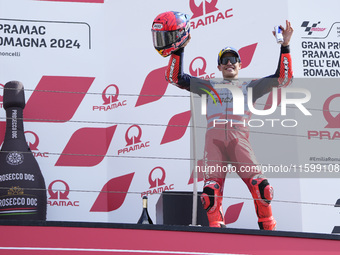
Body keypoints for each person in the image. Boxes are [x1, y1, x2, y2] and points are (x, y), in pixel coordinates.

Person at [152, 12, 293, 230]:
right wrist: (179, 47)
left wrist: (285, 47)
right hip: (214, 141)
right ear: (218, 67)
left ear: (240, 64)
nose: (229, 63)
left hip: (239, 140)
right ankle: (216, 233)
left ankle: (270, 232)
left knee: (262, 188)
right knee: (210, 194)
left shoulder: (251, 87)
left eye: (233, 59)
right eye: (224, 60)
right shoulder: (208, 87)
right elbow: (174, 78)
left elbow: (283, 78)